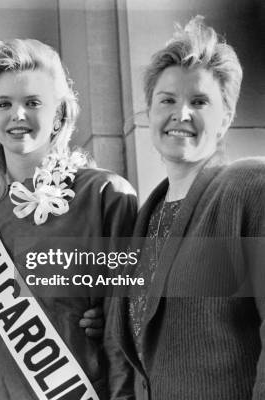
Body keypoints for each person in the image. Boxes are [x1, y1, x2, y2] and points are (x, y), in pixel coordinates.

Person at [0, 38, 137, 400]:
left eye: (33, 103)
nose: (18, 115)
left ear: (59, 114)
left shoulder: (105, 197)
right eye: (4, 104)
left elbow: (126, 332)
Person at [106, 17, 265, 399]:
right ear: (149, 113)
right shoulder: (146, 216)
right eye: (167, 100)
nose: (181, 114)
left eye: (199, 101)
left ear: (225, 118)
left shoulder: (250, 187)